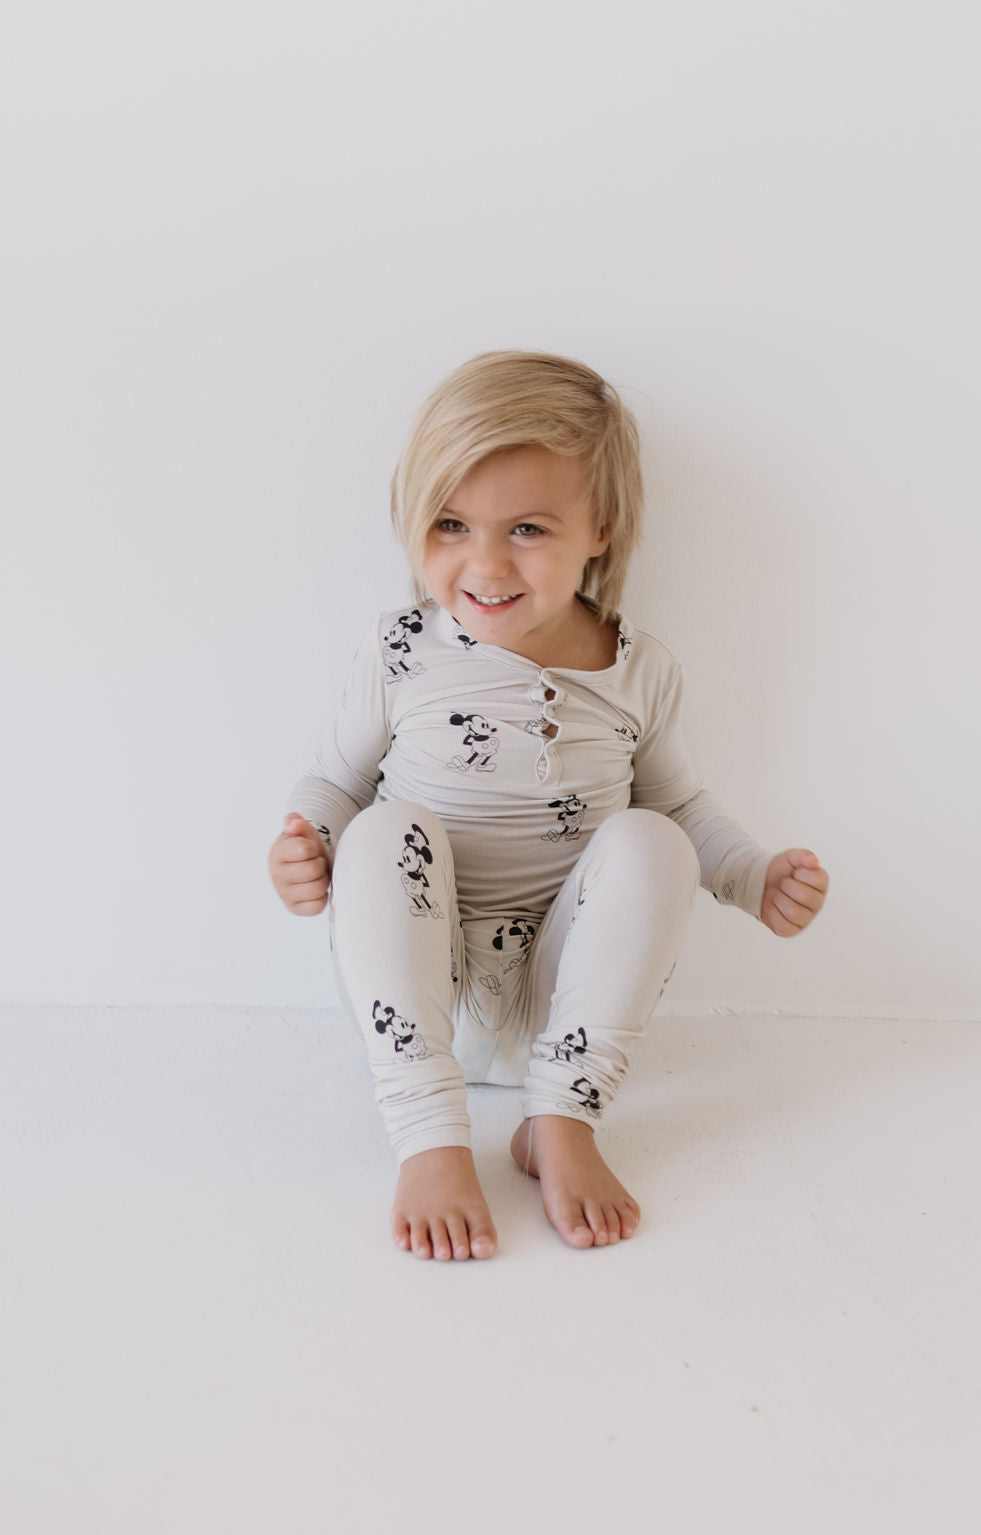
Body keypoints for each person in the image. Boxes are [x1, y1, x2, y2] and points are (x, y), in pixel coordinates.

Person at [268, 350, 829, 1261]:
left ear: (600, 526)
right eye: (450, 523)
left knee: (649, 836)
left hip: (564, 1003)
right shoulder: (401, 652)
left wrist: (751, 874)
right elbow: (333, 780)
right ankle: (429, 1132)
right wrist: (307, 842)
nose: (484, 563)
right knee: (382, 827)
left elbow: (682, 805)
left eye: (526, 528)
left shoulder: (637, 667)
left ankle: (561, 1120)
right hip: (426, 990)